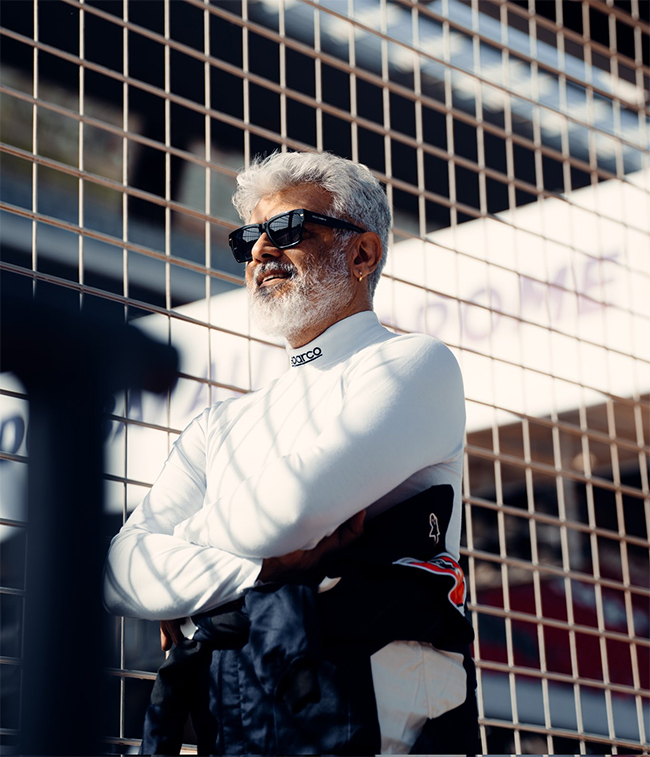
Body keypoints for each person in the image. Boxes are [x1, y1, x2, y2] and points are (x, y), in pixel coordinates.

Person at [103, 150, 479, 754]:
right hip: (236, 709)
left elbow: (290, 511)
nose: (259, 251)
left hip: (369, 717)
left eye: (287, 229)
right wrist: (257, 570)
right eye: (248, 237)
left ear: (362, 255)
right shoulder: (219, 422)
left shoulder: (415, 362)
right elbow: (122, 572)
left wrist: (186, 562)